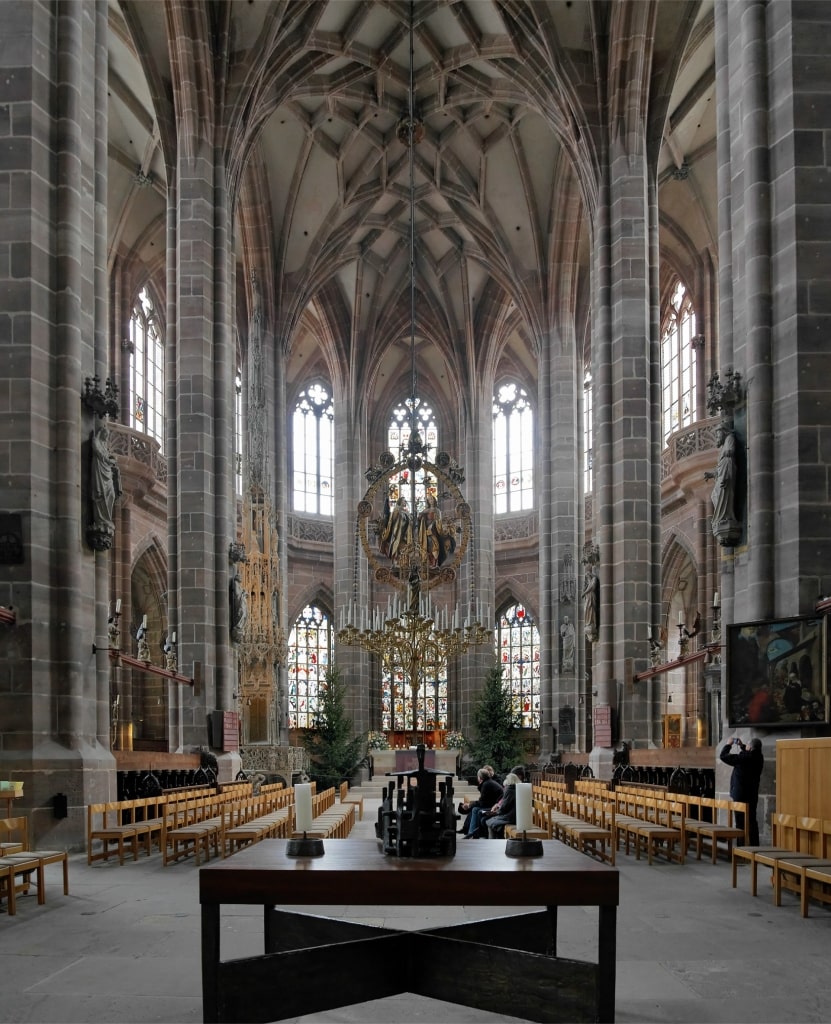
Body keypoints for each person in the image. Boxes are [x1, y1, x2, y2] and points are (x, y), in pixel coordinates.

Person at [720, 736, 764, 845]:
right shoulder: (759, 757)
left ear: (750, 747)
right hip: (752, 794)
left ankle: (741, 847)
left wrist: (728, 744)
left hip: (740, 795)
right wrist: (742, 746)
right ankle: (755, 846)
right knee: (752, 821)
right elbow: (750, 752)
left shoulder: (744, 757)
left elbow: (723, 756)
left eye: (747, 745)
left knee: (740, 822)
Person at [89, 425, 122, 548]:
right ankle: (101, 520)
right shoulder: (97, 443)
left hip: (106, 473)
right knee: (101, 494)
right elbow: (99, 454)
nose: (106, 437)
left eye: (107, 436)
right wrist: (109, 461)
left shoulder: (104, 447)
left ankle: (105, 520)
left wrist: (111, 462)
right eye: (105, 435)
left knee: (111, 495)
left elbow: (106, 456)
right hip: (100, 472)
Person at [460, 767, 503, 838]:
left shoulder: (486, 785)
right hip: (494, 804)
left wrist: (470, 805)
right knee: (475, 809)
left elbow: (482, 803)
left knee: (476, 809)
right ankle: (472, 833)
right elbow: (484, 801)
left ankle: (472, 834)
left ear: (479, 778)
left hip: (495, 807)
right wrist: (471, 804)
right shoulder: (488, 783)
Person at [711, 424, 738, 535]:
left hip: (727, 471)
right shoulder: (722, 447)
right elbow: (719, 466)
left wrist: (725, 475)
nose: (717, 437)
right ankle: (721, 517)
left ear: (724, 432)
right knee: (714, 495)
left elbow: (730, 452)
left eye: (718, 434)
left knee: (725, 492)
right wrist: (712, 474)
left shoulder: (729, 438)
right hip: (722, 472)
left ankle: (726, 516)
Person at [417, 495, 456, 568]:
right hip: (426, 531)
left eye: (432, 499)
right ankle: (430, 562)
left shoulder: (437, 510)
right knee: (427, 547)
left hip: (434, 530)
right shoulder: (426, 510)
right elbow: (419, 519)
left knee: (435, 545)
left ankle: (436, 562)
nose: (431, 501)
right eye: (429, 500)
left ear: (434, 500)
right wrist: (420, 516)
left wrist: (432, 525)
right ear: (428, 502)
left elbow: (439, 520)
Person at [484, 772, 521, 838]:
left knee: (490, 823)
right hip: (515, 816)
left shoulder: (510, 790)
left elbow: (504, 806)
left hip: (510, 817)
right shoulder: (517, 789)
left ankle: (493, 842)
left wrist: (496, 812)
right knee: (492, 822)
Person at [379, 494, 411, 563]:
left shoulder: (406, 512)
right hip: (397, 533)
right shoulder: (396, 510)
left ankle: (403, 561)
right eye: (403, 501)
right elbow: (393, 521)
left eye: (405, 501)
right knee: (397, 546)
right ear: (400, 502)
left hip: (405, 533)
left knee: (404, 547)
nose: (405, 502)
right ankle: (396, 560)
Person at [582, 566, 599, 642]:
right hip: (588, 598)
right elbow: (586, 589)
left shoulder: (594, 580)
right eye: (586, 577)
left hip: (591, 598)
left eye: (587, 576)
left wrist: (584, 592)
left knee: (591, 609)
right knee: (586, 610)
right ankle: (588, 623)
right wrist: (584, 587)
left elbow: (592, 587)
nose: (587, 578)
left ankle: (592, 623)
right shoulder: (588, 583)